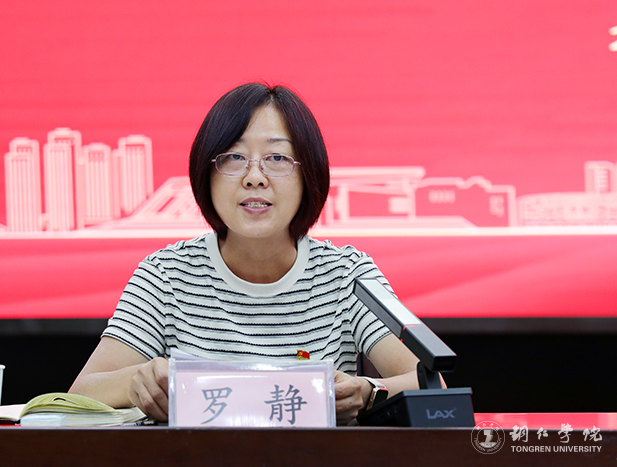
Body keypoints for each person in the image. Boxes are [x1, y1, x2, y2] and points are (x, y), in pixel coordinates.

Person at [69, 82, 423, 425]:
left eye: (277, 158)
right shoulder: (166, 275)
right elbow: (80, 394)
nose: (255, 177)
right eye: (234, 157)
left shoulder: (347, 274)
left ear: (309, 174)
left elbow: (430, 381)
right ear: (206, 173)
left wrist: (368, 391)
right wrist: (138, 381)